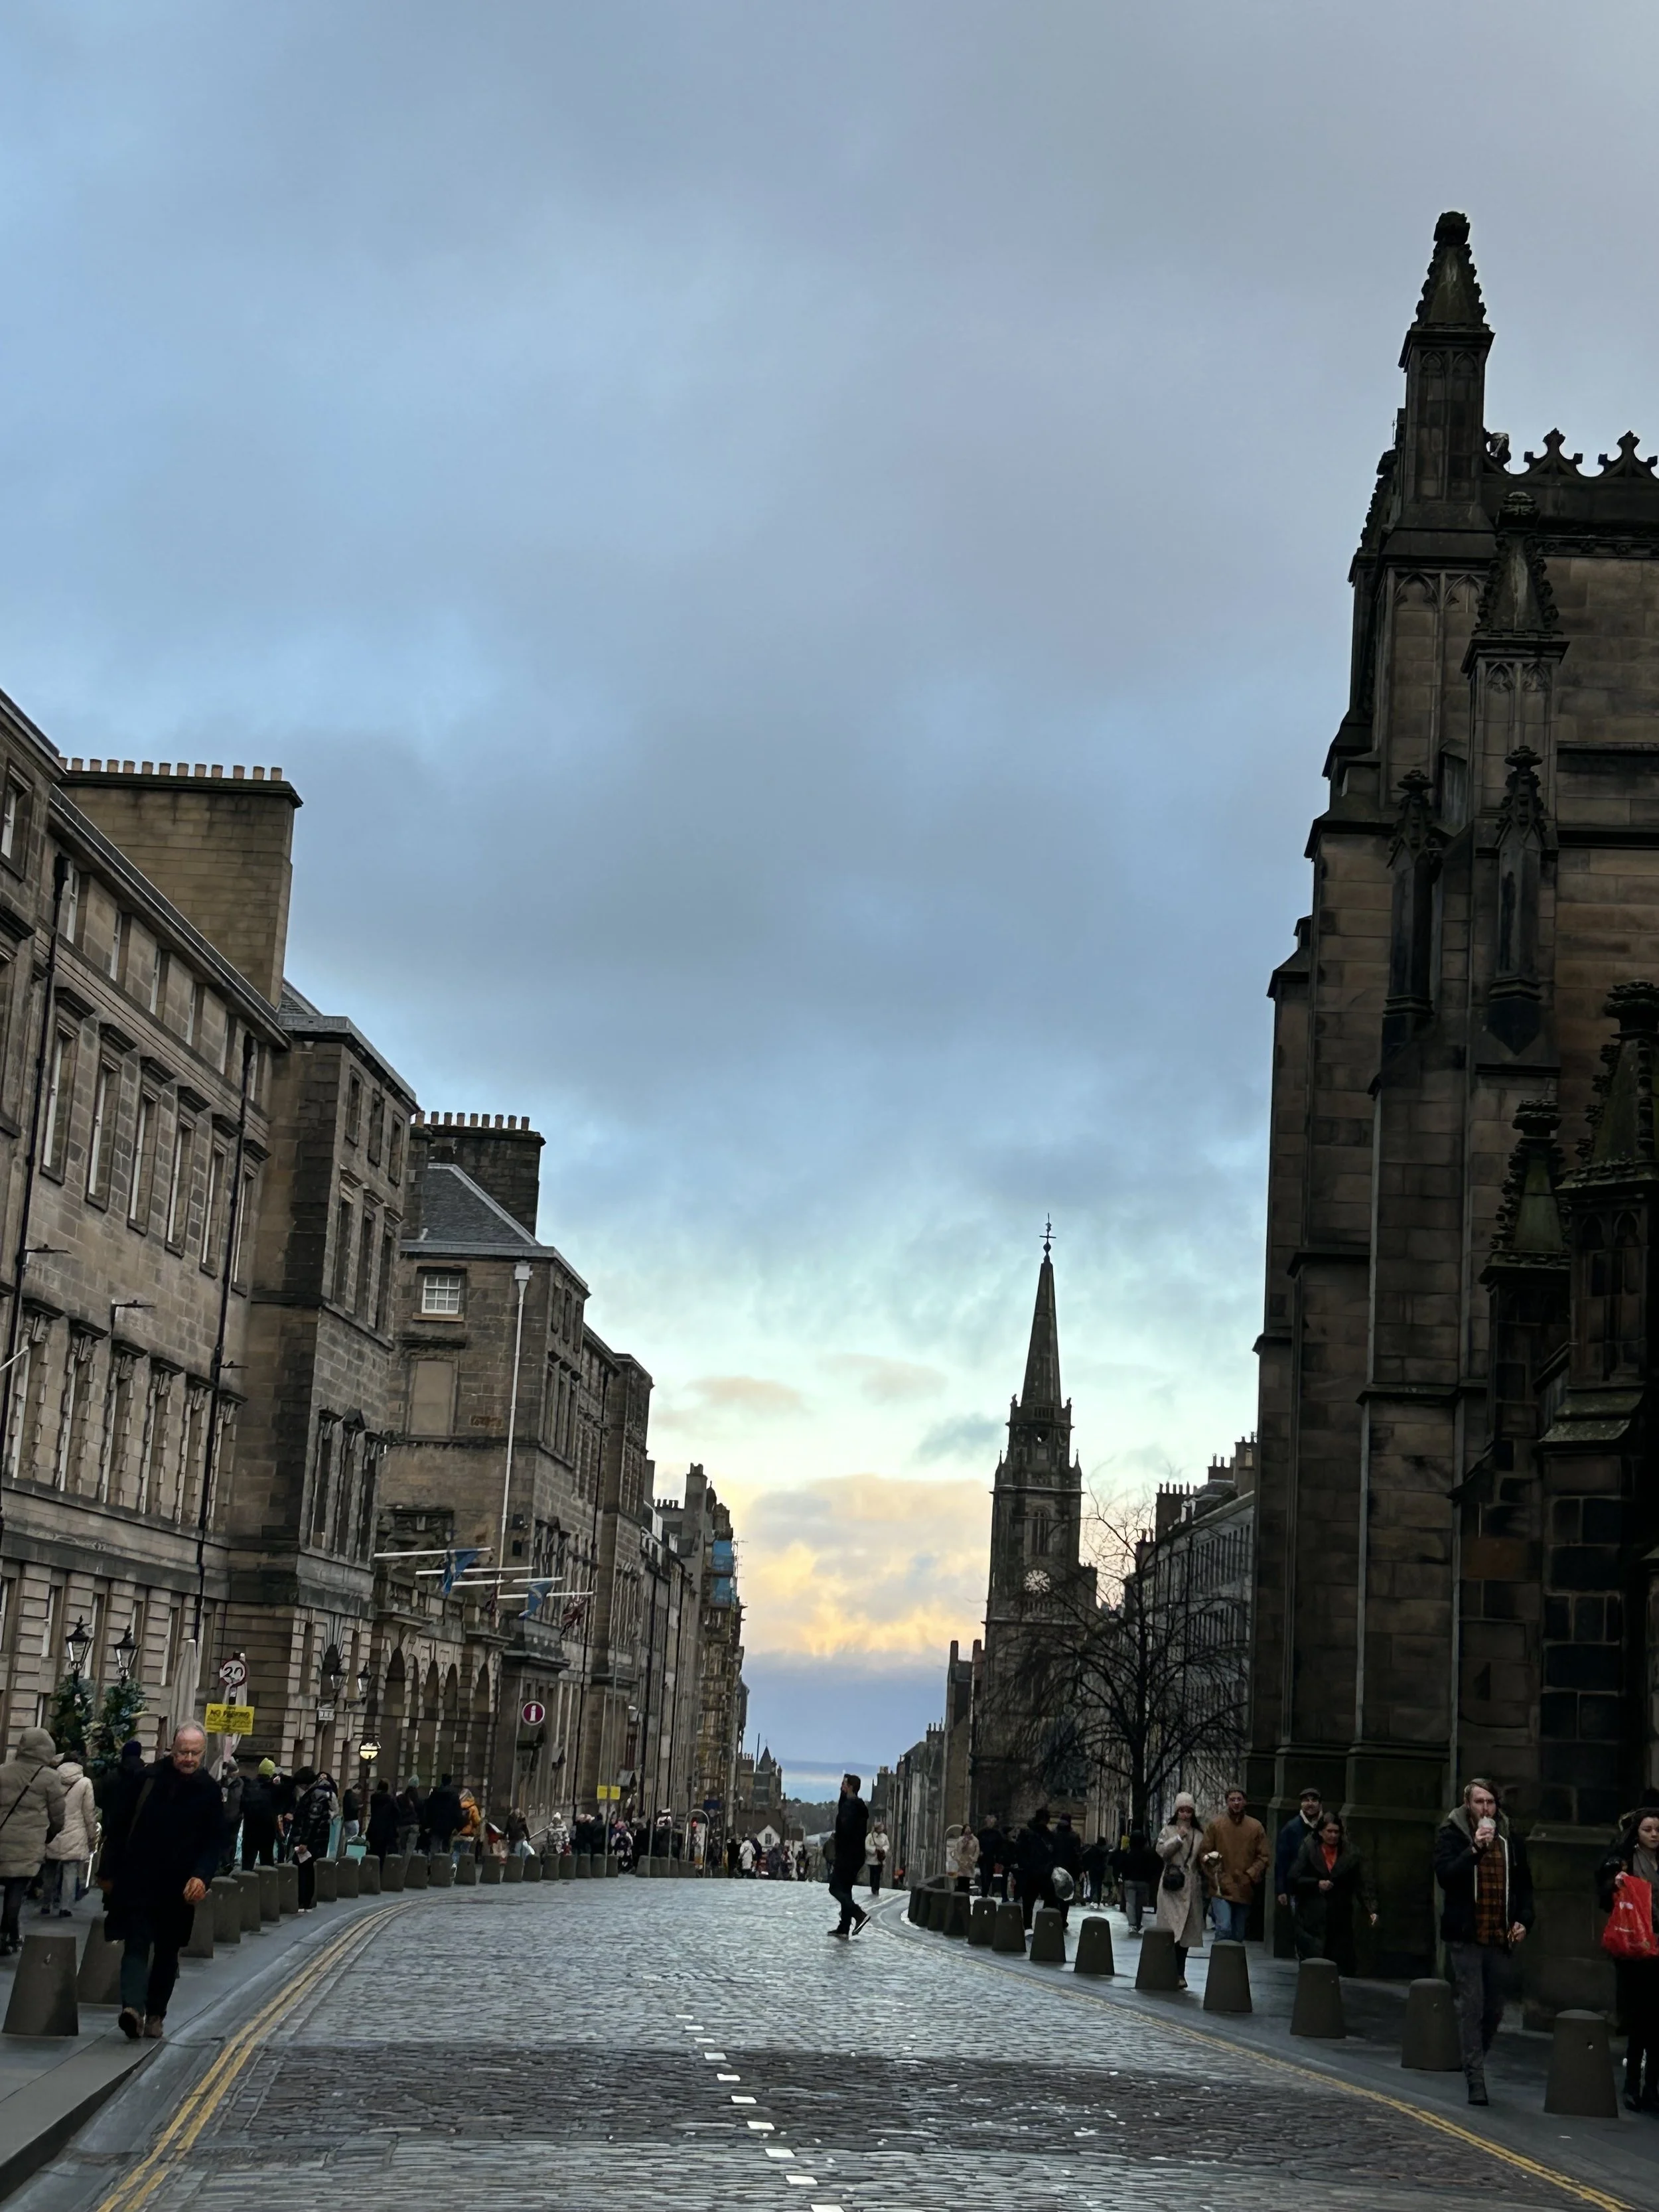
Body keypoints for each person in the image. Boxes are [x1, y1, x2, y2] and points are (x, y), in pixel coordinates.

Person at [98, 1723, 225, 2041]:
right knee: (136, 1943)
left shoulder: (209, 1790)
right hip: (138, 1878)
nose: (189, 1758)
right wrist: (107, 1871)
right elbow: (119, 1826)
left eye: (195, 1753)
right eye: (183, 1751)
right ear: (172, 1748)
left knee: (168, 1952)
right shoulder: (147, 1779)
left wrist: (202, 1876)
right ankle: (132, 2008)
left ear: (203, 1753)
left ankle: (156, 2013)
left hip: (180, 1887)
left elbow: (214, 1842)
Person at [1433, 1777, 1534, 2106]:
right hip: (1466, 1935)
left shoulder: (1511, 1839)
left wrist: (1524, 1920)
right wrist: (1475, 1848)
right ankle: (1475, 2078)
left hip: (1499, 1934)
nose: (1486, 1808)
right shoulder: (1451, 1834)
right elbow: (1446, 1876)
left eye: (1491, 1802)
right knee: (1472, 2005)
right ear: (1468, 1805)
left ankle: (1473, 2057)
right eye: (1480, 1802)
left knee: (1494, 2009)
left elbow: (1525, 1887)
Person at [1595, 1806, 1659, 2113]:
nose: (1654, 1834)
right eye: (1648, 1829)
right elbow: (1605, 1894)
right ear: (1637, 1832)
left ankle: (1652, 2089)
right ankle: (1632, 2085)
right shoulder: (1625, 1860)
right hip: (1636, 1951)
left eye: (1658, 1829)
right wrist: (1616, 1883)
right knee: (1639, 2021)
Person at [0, 1728, 65, 1951]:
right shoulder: (49, 1778)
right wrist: (49, 1834)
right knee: (16, 1891)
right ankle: (6, 1935)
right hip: (28, 1842)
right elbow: (57, 1816)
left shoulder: (3, 1772)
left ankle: (9, 1935)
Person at [1289, 1811, 1376, 1973]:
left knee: (1336, 1961)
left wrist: (1371, 1909)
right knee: (1313, 1961)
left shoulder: (1351, 1853)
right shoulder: (1309, 1849)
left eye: (1336, 1832)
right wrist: (1316, 1884)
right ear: (1321, 1832)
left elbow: (1363, 1883)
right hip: (1312, 1914)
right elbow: (1295, 1878)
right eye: (1330, 1831)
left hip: (1339, 1913)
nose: (1333, 1835)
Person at [1200, 1785, 1269, 1943]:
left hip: (1244, 1886)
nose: (1236, 1803)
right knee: (1224, 1928)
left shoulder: (1256, 1827)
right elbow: (1204, 1853)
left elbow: (1264, 1856)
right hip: (1221, 1887)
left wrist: (1251, 1874)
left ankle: (1232, 1966)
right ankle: (1219, 1965)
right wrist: (1213, 1874)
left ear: (1245, 1802)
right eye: (1232, 1800)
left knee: (1238, 1934)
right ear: (1227, 1802)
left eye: (1239, 1799)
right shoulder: (1216, 1825)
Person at [1155, 1793, 1206, 1988]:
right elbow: (1161, 1852)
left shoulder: (1200, 1835)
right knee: (1170, 1930)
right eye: (1182, 1810)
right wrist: (1178, 1838)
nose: (1185, 1814)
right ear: (1176, 1812)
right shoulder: (1167, 1831)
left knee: (1184, 1933)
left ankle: (1180, 1972)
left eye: (1189, 1810)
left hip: (1190, 1886)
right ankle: (1168, 1969)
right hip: (1171, 1885)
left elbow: (1201, 1859)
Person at [42, 1752, 98, 1916]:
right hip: (75, 1831)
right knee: (70, 1871)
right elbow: (89, 1811)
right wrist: (92, 1833)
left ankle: (46, 1903)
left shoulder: (53, 1779)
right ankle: (65, 1907)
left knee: (50, 1869)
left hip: (53, 1829)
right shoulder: (85, 1782)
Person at [828, 1772, 870, 1939]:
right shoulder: (854, 1805)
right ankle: (844, 1927)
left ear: (850, 1787)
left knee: (835, 1888)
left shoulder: (851, 1807)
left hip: (848, 1855)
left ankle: (859, 1914)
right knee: (846, 1889)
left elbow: (845, 1829)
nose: (841, 1786)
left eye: (844, 1784)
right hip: (855, 1855)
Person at [1274, 1787, 1323, 1928]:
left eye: (1314, 1800)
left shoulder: (1327, 1825)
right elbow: (1282, 1861)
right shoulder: (1291, 1828)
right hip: (1299, 1886)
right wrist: (1281, 1890)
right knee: (1302, 1927)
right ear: (1301, 1804)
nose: (1310, 1804)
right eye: (1306, 1800)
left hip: (1323, 1886)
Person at [287, 1768, 334, 1908]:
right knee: (306, 1869)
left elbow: (312, 1820)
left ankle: (304, 1900)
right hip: (315, 1839)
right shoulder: (317, 1793)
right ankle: (305, 1900)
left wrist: (304, 1842)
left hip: (311, 1841)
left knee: (304, 1869)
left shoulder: (315, 1796)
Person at [1014, 1805, 1055, 1929]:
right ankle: (1043, 1925)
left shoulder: (1027, 1833)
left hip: (1031, 1873)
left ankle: (1028, 1927)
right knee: (1047, 1901)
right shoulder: (1046, 1836)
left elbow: (1019, 1852)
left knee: (1029, 1902)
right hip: (1042, 1873)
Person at [1112, 1829, 1160, 1933]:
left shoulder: (1127, 1853)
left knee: (1131, 1903)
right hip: (1144, 1882)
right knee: (1140, 1904)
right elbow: (1153, 1868)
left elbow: (1121, 1866)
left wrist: (1122, 1877)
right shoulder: (1148, 1854)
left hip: (1129, 1881)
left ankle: (1132, 1924)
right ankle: (1138, 1923)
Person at [239, 1759, 279, 1867]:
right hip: (268, 1831)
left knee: (247, 1863)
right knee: (267, 1862)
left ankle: (245, 1882)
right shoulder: (274, 1789)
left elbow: (242, 1805)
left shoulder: (249, 1786)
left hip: (250, 1830)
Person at [365, 1781, 399, 1864]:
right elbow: (397, 1813)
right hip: (386, 1830)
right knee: (382, 1854)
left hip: (374, 1828)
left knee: (373, 1851)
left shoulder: (374, 1798)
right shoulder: (391, 1800)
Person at [975, 1812, 1005, 1899]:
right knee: (984, 1874)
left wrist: (999, 1858)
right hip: (982, 1857)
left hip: (991, 1857)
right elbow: (977, 1843)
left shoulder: (996, 1834)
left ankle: (985, 1890)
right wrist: (979, 1851)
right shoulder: (981, 1833)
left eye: (992, 1822)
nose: (990, 1823)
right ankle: (984, 1892)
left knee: (989, 1875)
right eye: (989, 1821)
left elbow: (1000, 1846)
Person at [944, 1822, 979, 1894]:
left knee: (967, 1881)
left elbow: (977, 1850)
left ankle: (964, 1895)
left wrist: (974, 1859)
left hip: (969, 1863)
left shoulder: (975, 1840)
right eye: (967, 1829)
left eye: (969, 1829)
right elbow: (958, 1850)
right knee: (960, 1880)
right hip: (961, 1863)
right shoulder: (961, 1839)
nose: (968, 1831)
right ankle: (959, 1895)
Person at [395, 1779, 423, 1858]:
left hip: (403, 1825)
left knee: (401, 1848)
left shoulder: (400, 1798)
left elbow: (397, 1811)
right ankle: (406, 1868)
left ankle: (400, 1866)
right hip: (414, 1825)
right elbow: (421, 1812)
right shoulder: (417, 1799)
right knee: (410, 1850)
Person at [1080, 1833, 1108, 1905]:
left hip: (1093, 1869)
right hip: (1100, 1870)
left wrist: (1085, 1868)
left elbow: (1086, 1857)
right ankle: (1097, 1900)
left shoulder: (1092, 1850)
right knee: (1099, 1886)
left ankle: (1092, 1898)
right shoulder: (1103, 1851)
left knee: (1093, 1885)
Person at [867, 1819, 890, 1897]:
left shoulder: (884, 1837)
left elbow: (887, 1845)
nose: (882, 1829)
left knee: (878, 1875)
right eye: (880, 1827)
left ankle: (876, 1888)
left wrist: (883, 1849)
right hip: (872, 1860)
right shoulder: (870, 1836)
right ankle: (873, 1886)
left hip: (880, 1860)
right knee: (873, 1874)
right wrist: (875, 1850)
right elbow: (867, 1846)